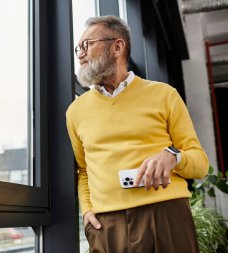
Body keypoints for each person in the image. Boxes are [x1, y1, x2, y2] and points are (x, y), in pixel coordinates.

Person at [66, 15, 208, 253]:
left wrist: (173, 156)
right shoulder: (75, 111)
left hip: (166, 215)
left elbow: (200, 163)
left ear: (117, 47)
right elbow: (83, 169)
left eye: (87, 45)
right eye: (78, 48)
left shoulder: (164, 94)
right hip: (106, 225)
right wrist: (88, 209)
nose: (80, 54)